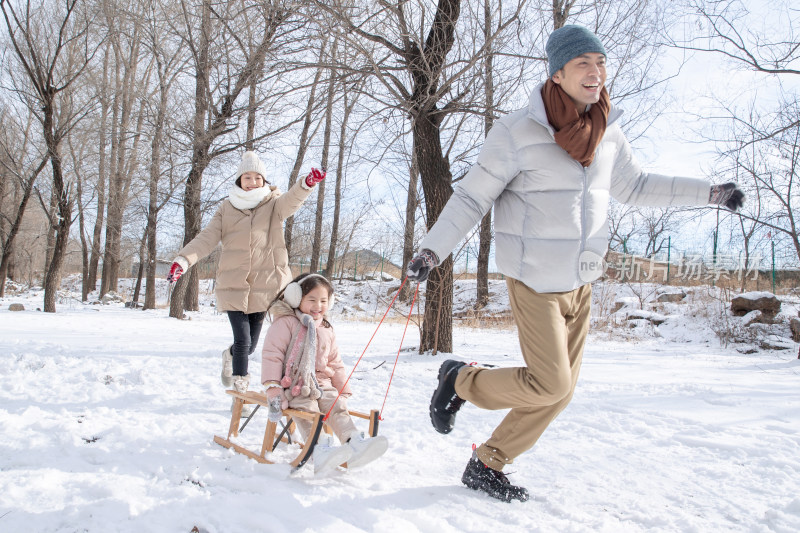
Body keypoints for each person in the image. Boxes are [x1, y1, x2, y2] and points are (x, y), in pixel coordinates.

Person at [406, 25, 744, 503]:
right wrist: (430, 250)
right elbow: (471, 197)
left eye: (601, 63)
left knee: (558, 393)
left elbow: (637, 186)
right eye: (584, 63)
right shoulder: (517, 131)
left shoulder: (608, 130)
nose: (596, 72)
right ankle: (459, 380)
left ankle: (488, 462)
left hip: (581, 280)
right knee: (551, 381)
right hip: (534, 279)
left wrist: (709, 193)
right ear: (558, 72)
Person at [167, 151, 326, 414]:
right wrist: (183, 261)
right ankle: (239, 395)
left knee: (249, 346)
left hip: (265, 288)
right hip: (234, 287)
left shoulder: (273, 204)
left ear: (263, 180)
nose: (252, 181)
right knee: (243, 342)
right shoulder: (226, 209)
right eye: (247, 177)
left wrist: (306, 184)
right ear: (239, 180)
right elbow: (206, 238)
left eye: (257, 177)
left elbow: (292, 201)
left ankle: (229, 356)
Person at [261, 273, 389, 475]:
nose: (317, 306)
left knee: (336, 406)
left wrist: (342, 388)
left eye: (323, 301)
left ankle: (354, 442)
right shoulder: (285, 323)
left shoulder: (326, 328)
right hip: (294, 383)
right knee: (308, 411)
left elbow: (335, 362)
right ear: (296, 298)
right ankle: (320, 448)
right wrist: (273, 387)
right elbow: (272, 355)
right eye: (311, 300)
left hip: (322, 383)